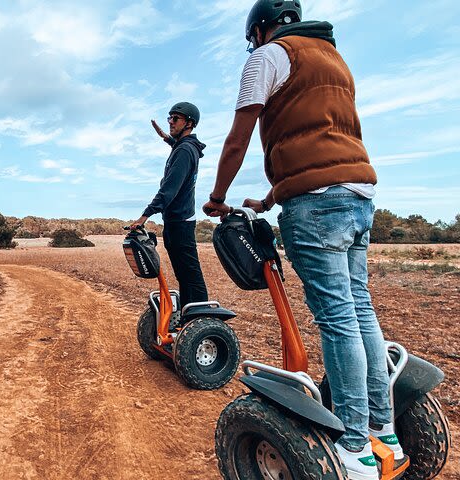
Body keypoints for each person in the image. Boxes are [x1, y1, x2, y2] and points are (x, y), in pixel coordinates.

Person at [201, 2, 404, 478]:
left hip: (316, 207)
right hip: (358, 195)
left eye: (253, 37)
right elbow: (322, 140)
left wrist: (217, 196)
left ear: (259, 29)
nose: (253, 44)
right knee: (360, 309)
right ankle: (383, 429)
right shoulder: (333, 60)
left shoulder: (269, 55)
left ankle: (354, 449)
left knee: (336, 318)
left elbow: (239, 136)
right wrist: (270, 198)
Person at [131, 102, 208, 315]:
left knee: (190, 274)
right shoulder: (183, 147)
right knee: (185, 274)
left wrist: (144, 217)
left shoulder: (184, 151)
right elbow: (178, 145)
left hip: (180, 222)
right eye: (170, 117)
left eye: (176, 118)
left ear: (189, 123)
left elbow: (169, 189)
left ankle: (201, 318)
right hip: (177, 220)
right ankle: (190, 315)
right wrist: (166, 137)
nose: (171, 121)